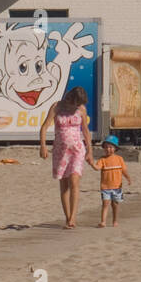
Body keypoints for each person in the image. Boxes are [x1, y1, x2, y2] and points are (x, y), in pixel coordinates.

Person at [39, 87, 95, 229]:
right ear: (70, 98)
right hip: (60, 150)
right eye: (75, 103)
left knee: (74, 180)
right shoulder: (57, 107)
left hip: (77, 149)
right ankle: (67, 216)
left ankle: (73, 218)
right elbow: (44, 127)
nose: (76, 106)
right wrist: (43, 146)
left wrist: (90, 150)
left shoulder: (81, 109)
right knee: (64, 185)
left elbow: (86, 131)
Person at [92, 135, 131, 228]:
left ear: (115, 148)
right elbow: (97, 168)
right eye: (106, 147)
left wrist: (128, 178)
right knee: (105, 204)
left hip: (117, 187)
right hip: (105, 187)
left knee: (115, 204)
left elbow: (124, 171)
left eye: (110, 147)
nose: (108, 149)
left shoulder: (119, 159)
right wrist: (91, 163)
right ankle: (103, 221)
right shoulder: (102, 159)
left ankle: (115, 220)